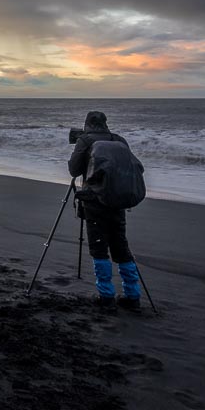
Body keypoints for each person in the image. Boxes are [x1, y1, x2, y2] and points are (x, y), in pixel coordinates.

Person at [68, 111, 141, 312]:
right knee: (121, 246)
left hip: (94, 201)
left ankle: (106, 295)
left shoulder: (85, 140)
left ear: (87, 124)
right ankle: (132, 295)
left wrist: (81, 148)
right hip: (117, 200)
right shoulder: (118, 140)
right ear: (105, 123)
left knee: (99, 248)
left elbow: (74, 170)